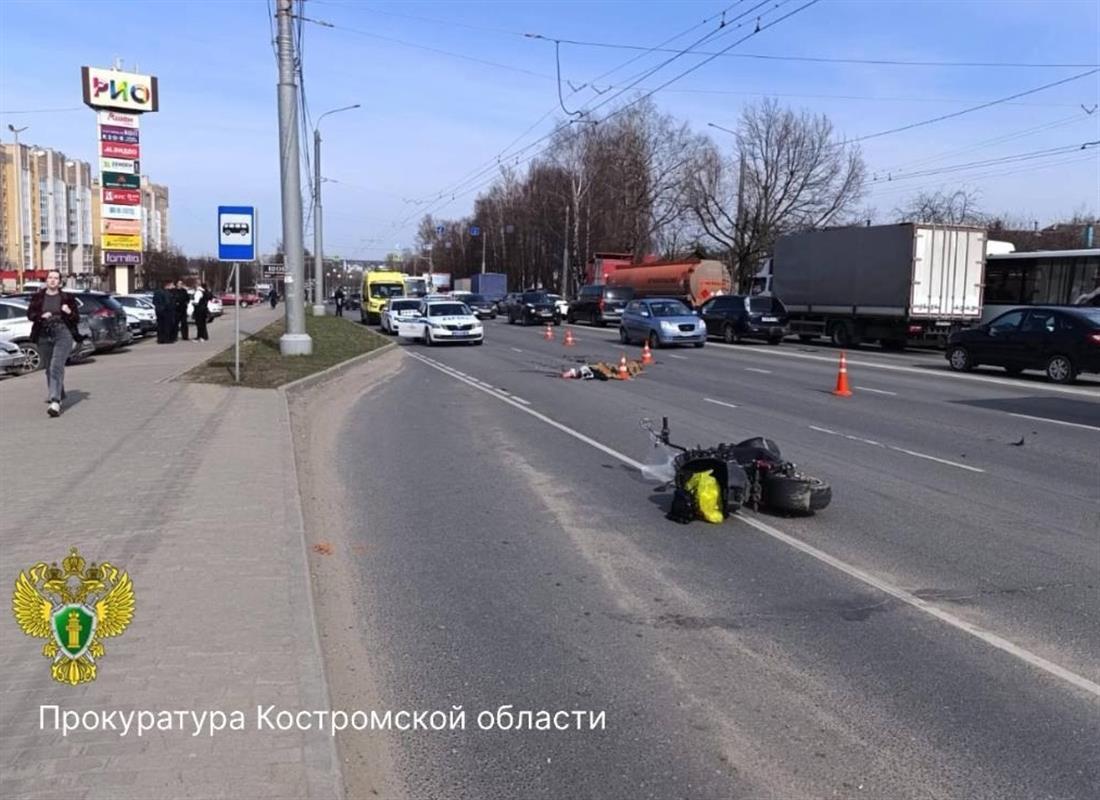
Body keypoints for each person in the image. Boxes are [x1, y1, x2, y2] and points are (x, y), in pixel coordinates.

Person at [26, 270, 81, 417]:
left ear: (60, 282)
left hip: (62, 333)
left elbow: (76, 318)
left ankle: (55, 401)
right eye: (50, 278)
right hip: (43, 334)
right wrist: (40, 316)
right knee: (49, 368)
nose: (52, 280)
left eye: (56, 278)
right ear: (46, 280)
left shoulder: (67, 297)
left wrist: (69, 311)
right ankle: (60, 394)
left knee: (56, 366)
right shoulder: (38, 297)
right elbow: (30, 315)